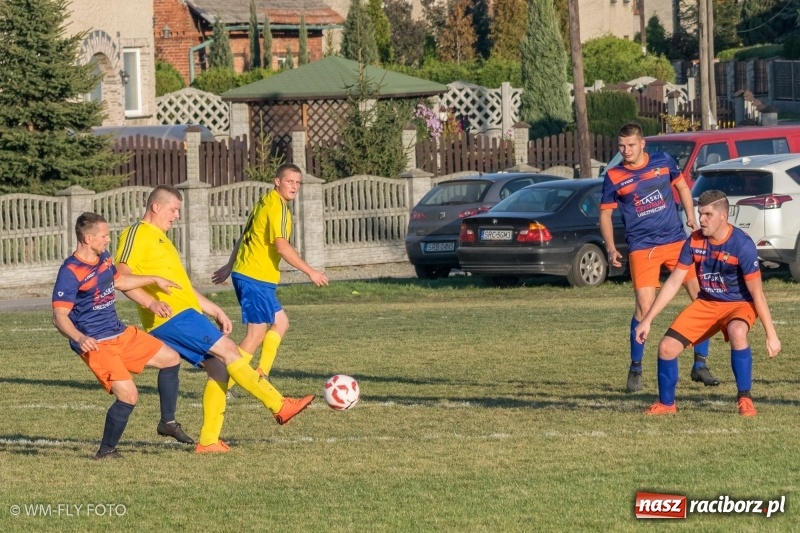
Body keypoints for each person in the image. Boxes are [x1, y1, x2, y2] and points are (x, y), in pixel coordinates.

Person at [115, 185, 314, 454]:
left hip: (185, 314)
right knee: (230, 351)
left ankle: (208, 441)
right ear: (156, 207)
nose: (176, 216)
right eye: (173, 210)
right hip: (172, 318)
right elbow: (120, 277)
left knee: (219, 369)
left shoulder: (162, 239)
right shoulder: (137, 234)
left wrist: (214, 309)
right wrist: (151, 301)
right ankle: (279, 405)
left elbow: (182, 289)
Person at [52, 212, 194, 460]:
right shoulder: (70, 271)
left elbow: (121, 281)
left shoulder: (104, 259)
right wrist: (78, 337)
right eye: (104, 236)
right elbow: (59, 316)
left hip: (120, 332)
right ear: (88, 238)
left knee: (171, 358)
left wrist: (152, 293)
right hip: (97, 343)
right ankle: (106, 451)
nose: (108, 240)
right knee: (129, 395)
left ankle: (168, 423)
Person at [634, 190, 781, 416]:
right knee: (666, 348)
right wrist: (647, 320)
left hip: (739, 304)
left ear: (723, 216)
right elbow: (673, 282)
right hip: (707, 303)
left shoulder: (742, 244)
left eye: (708, 215)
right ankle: (666, 404)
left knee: (737, 331)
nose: (701, 219)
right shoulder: (693, 241)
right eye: (700, 213)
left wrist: (771, 334)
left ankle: (745, 398)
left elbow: (757, 294)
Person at [600, 122, 718, 393]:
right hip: (642, 247)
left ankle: (700, 364)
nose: (625, 151)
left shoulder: (663, 161)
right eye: (621, 146)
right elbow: (605, 214)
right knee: (644, 307)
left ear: (643, 144)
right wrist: (610, 247)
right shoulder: (614, 175)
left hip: (676, 241)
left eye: (630, 145)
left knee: (703, 299)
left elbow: (683, 187)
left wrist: (690, 215)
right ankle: (636, 368)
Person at [212, 163, 328, 394]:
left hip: (253, 276)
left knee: (281, 323)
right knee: (256, 334)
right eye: (289, 181)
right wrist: (310, 271)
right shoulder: (277, 208)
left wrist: (229, 265)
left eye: (297, 182)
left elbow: (245, 237)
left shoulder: (265, 202)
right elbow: (282, 247)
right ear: (277, 181)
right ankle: (225, 385)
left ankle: (261, 373)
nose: (294, 186)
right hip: (254, 276)